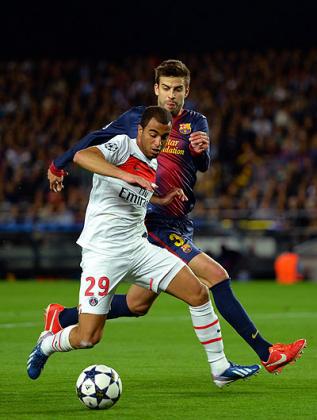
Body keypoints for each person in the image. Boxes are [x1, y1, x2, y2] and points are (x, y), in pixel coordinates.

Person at [45, 59, 306, 374]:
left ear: (187, 90)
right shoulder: (138, 121)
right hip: (154, 223)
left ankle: (62, 318)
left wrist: (200, 152)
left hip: (181, 220)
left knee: (137, 305)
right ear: (156, 89)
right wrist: (58, 164)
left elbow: (203, 165)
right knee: (216, 277)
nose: (171, 95)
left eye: (178, 89)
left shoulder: (197, 122)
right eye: (166, 88)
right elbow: (93, 139)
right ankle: (267, 353)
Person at [27, 106, 260, 387]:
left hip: (139, 248)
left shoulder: (153, 162)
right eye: (152, 135)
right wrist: (123, 174)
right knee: (88, 337)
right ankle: (47, 345)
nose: (158, 143)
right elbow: (82, 156)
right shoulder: (122, 146)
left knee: (198, 293)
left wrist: (161, 200)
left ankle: (220, 368)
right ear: (139, 131)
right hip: (103, 253)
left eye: (163, 137)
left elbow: (135, 198)